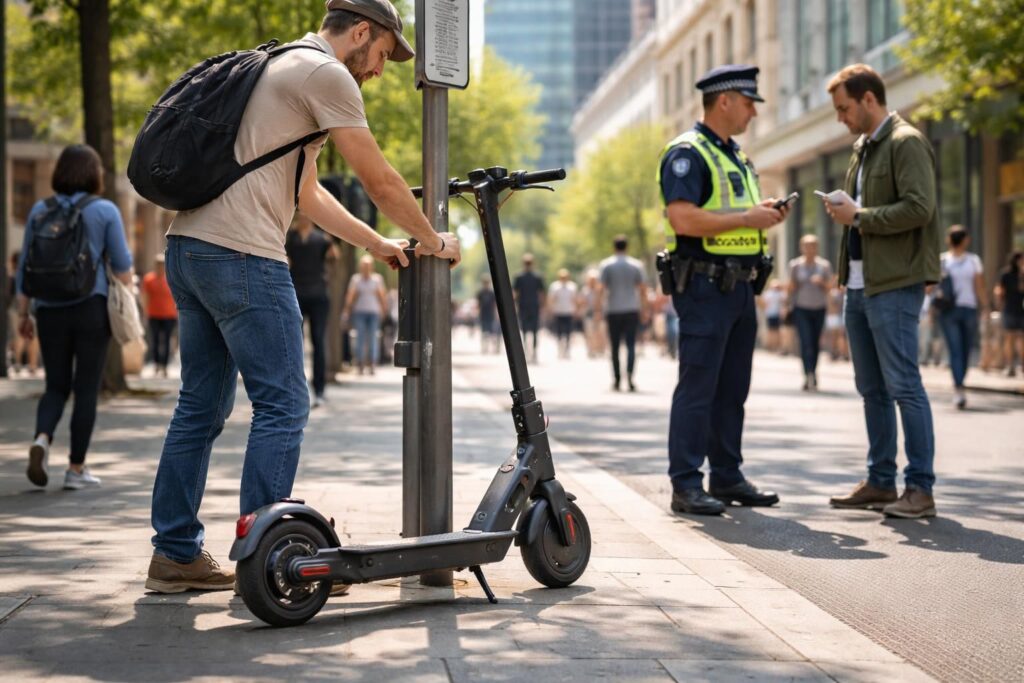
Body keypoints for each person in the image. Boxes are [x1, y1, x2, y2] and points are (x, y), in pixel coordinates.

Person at [147, 0, 461, 594]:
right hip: (243, 256)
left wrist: (376, 243)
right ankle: (267, 558)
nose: (380, 70)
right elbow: (379, 179)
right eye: (383, 54)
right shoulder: (326, 74)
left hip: (189, 249)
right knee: (284, 404)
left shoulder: (277, 64)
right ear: (361, 32)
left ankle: (174, 555)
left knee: (200, 407)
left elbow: (307, 193)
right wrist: (433, 239)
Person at [658, 65, 787, 515]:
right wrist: (748, 218)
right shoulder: (687, 152)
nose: (754, 112)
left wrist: (761, 213)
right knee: (698, 389)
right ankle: (686, 484)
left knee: (733, 390)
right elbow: (682, 218)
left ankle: (727, 475)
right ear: (725, 101)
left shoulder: (736, 156)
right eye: (749, 102)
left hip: (739, 288)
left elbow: (731, 214)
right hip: (704, 287)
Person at [823, 63, 940, 519]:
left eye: (844, 108)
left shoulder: (905, 142)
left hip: (894, 283)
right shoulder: (862, 148)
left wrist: (859, 216)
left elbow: (920, 207)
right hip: (859, 283)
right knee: (871, 389)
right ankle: (880, 481)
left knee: (904, 386)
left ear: (868, 99)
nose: (840, 118)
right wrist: (847, 211)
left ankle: (920, 489)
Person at [14, 144, 134, 490]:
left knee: (55, 386)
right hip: (90, 308)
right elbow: (123, 267)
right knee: (86, 390)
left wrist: (24, 313)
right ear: (95, 174)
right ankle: (75, 469)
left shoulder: (40, 210)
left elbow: (25, 268)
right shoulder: (105, 210)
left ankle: (41, 438)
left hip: (49, 309)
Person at [285, 214, 337, 405]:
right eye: (300, 215)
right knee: (294, 342)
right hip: (296, 292)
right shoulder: (290, 237)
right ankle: (294, 390)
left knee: (318, 341)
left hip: (318, 294)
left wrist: (330, 238)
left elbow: (334, 256)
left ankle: (319, 390)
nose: (304, 218)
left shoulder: (322, 238)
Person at [937, 226, 987, 408]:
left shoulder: (973, 260)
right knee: (956, 349)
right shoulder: (943, 260)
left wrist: (984, 307)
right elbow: (934, 288)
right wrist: (986, 307)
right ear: (964, 240)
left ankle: (960, 383)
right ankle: (959, 387)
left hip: (968, 309)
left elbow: (978, 286)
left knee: (965, 349)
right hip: (949, 311)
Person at [599, 235, 647, 392]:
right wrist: (645, 309)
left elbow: (601, 289)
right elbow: (642, 289)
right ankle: (631, 377)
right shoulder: (636, 265)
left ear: (614, 247)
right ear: (627, 247)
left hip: (613, 309)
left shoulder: (606, 265)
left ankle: (617, 379)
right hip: (631, 309)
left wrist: (598, 309)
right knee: (631, 345)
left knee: (614, 346)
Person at [788, 235, 833, 390]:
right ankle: (808, 374)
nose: (810, 249)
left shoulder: (824, 266)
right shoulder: (795, 265)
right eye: (807, 246)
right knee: (806, 342)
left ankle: (813, 371)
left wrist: (821, 282)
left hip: (819, 308)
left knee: (815, 342)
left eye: (813, 245)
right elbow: (790, 288)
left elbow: (830, 287)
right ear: (801, 248)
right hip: (801, 308)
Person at [344, 254, 388, 375]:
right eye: (364, 265)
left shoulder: (377, 279)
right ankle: (360, 363)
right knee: (360, 338)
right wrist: (346, 310)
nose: (366, 268)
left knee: (373, 338)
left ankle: (372, 363)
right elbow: (351, 296)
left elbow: (382, 295)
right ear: (360, 267)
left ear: (372, 267)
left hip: (374, 312)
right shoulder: (356, 279)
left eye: (368, 265)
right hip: (359, 312)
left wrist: (384, 310)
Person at [141, 253, 178, 378]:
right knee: (155, 340)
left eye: (162, 264)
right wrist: (145, 313)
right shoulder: (149, 279)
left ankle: (165, 366)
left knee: (167, 341)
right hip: (154, 315)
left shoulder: (171, 278)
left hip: (169, 315)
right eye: (158, 264)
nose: (160, 266)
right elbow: (145, 297)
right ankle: (157, 365)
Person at [7, 251, 41, 376]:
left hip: (17, 307)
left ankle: (18, 362)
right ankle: (33, 365)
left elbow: (9, 294)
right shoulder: (32, 273)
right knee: (33, 336)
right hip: (33, 306)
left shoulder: (14, 276)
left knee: (19, 335)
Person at [994, 251, 1024, 376]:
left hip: (1021, 310)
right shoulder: (1005, 274)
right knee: (1009, 338)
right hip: (1009, 309)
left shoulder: (1022, 274)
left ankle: (1022, 365)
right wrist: (999, 306)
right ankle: (1010, 366)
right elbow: (1000, 291)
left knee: (1021, 339)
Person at [512, 253, 544, 362]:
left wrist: (514, 305)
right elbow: (541, 294)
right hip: (533, 306)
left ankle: (526, 350)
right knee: (534, 330)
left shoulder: (519, 277)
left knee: (525, 330)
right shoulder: (537, 277)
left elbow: (515, 293)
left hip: (524, 306)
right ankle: (533, 352)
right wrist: (543, 306)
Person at [548, 268, 578, 359]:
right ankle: (560, 349)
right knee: (559, 332)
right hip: (558, 312)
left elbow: (574, 299)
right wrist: (551, 309)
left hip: (568, 312)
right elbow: (551, 299)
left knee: (568, 332)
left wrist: (576, 310)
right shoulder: (555, 286)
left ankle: (567, 350)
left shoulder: (572, 286)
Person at [578, 268, 605, 358]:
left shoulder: (600, 290)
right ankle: (591, 350)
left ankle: (600, 349)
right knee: (589, 333)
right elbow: (581, 302)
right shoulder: (585, 290)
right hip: (588, 313)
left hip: (600, 313)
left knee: (600, 333)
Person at [476, 275, 500, 354]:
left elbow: (495, 305)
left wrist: (496, 314)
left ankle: (493, 347)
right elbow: (478, 305)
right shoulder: (480, 293)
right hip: (483, 314)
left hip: (490, 314)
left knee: (492, 332)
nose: (486, 284)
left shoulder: (492, 293)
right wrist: (478, 314)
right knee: (484, 332)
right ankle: (484, 347)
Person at [758, 279, 784, 352]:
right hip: (771, 314)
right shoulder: (769, 294)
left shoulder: (778, 294)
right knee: (772, 331)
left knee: (775, 331)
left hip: (776, 314)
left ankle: (775, 346)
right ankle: (772, 346)